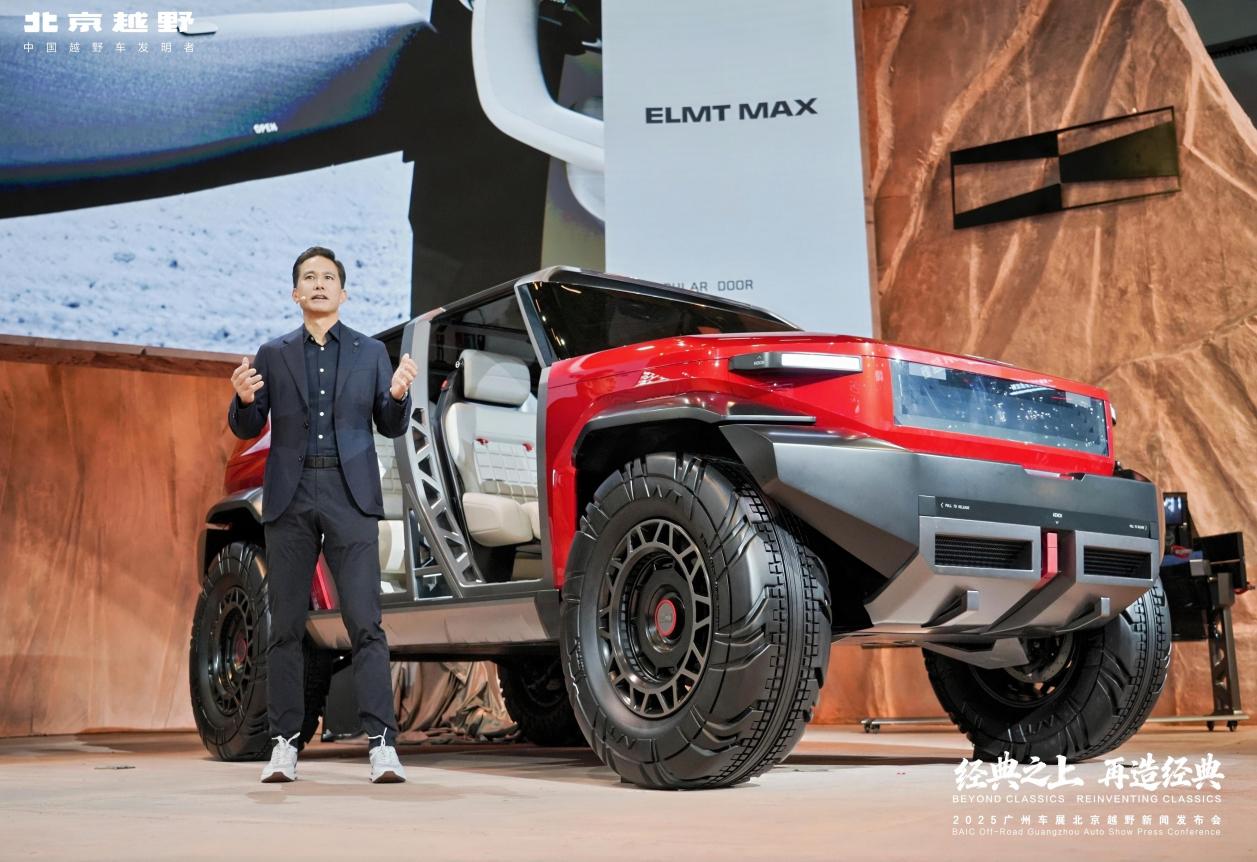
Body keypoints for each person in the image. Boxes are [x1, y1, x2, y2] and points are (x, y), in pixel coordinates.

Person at [227, 246, 418, 784]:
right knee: (285, 625)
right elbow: (249, 427)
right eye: (308, 277)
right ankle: (284, 743)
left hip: (348, 493)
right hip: (289, 496)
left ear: (343, 292)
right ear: (295, 293)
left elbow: (390, 423)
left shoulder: (370, 352)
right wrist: (243, 401)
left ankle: (382, 744)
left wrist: (397, 394)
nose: (318, 284)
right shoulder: (272, 354)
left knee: (365, 621)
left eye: (327, 277)